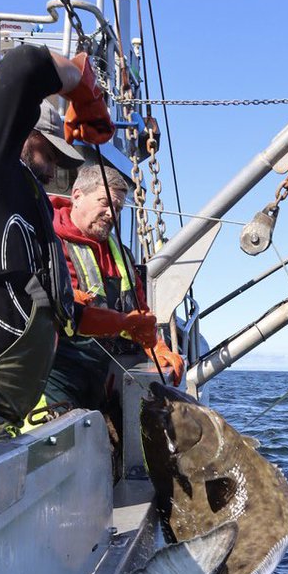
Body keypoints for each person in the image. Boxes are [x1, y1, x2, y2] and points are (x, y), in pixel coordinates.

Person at [0, 43, 114, 431]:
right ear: (23, 131)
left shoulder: (31, 199)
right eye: (51, 150)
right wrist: (81, 83)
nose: (58, 163)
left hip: (2, 423)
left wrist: (123, 323)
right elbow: (25, 65)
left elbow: (61, 312)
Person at [43, 161, 184, 413]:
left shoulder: (122, 255)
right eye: (105, 202)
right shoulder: (47, 240)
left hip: (98, 371)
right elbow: (61, 312)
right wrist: (123, 323)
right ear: (77, 196)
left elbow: (139, 310)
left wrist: (157, 347)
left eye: (117, 208)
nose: (112, 213)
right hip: (52, 372)